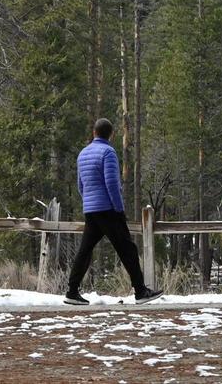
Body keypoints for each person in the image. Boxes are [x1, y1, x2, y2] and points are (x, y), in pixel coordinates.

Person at [64, 118, 162, 305]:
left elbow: (80, 184)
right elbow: (112, 183)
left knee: (85, 251)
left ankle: (72, 290)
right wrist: (119, 208)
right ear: (111, 134)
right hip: (108, 209)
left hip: (91, 210)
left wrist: (88, 202)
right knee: (128, 249)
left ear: (94, 132)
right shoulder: (108, 153)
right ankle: (140, 291)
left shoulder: (83, 154)